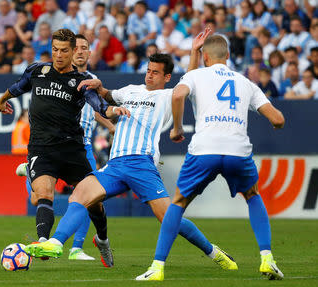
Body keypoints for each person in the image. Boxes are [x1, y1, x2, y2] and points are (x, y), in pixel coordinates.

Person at [25, 30, 239, 273]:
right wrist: (99, 85)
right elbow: (106, 97)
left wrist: (193, 52)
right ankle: (55, 243)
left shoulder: (169, 96)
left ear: (167, 77)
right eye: (148, 70)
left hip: (142, 165)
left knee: (169, 218)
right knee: (80, 194)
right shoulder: (129, 91)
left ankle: (213, 251)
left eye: (155, 72)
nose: (149, 75)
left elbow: (188, 81)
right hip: (115, 164)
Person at [136, 34, 285, 281]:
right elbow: (278, 119)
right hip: (238, 151)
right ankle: (268, 259)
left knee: (178, 203)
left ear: (205, 57)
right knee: (252, 195)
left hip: (204, 150)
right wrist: (276, 125)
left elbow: (177, 95)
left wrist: (177, 129)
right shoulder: (245, 82)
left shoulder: (196, 75)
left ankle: (157, 267)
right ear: (227, 56)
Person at [0, 29, 129, 251]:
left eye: (64, 51)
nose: (58, 55)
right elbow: (17, 87)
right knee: (43, 195)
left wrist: (115, 110)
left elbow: (100, 108)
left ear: (73, 51)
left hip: (71, 150)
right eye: (55, 50)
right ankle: (42, 243)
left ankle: (103, 239)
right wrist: (2, 99)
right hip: (41, 146)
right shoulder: (37, 71)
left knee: (93, 202)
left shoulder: (81, 81)